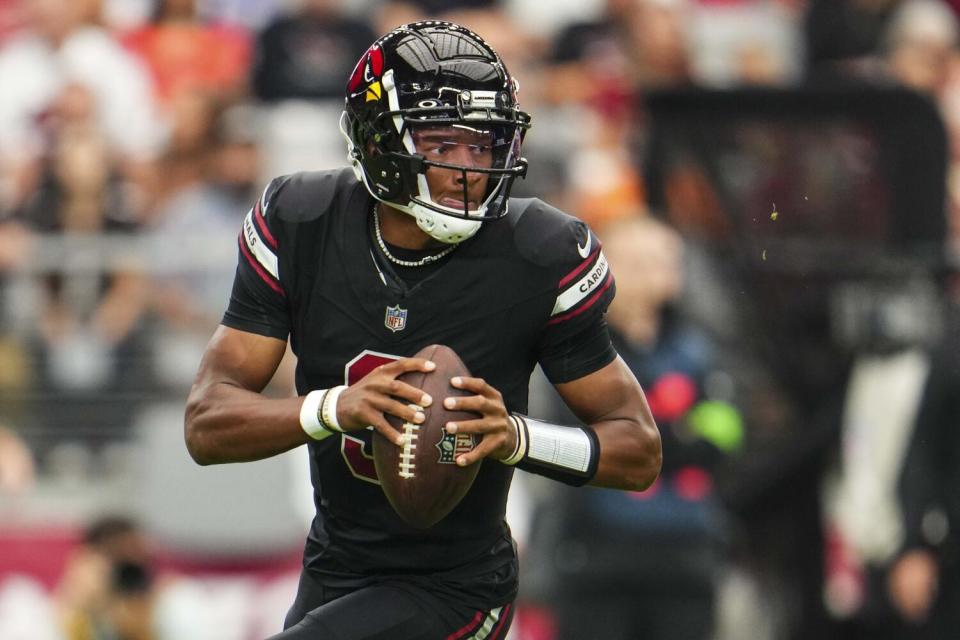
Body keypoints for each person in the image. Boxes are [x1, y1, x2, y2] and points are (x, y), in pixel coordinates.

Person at [184, 21, 661, 639]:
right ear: (378, 143)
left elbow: (638, 450)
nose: (469, 170)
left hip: (456, 586)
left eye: (483, 145)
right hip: (335, 566)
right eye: (442, 145)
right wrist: (332, 408)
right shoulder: (303, 222)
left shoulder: (538, 251)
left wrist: (519, 437)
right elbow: (206, 424)